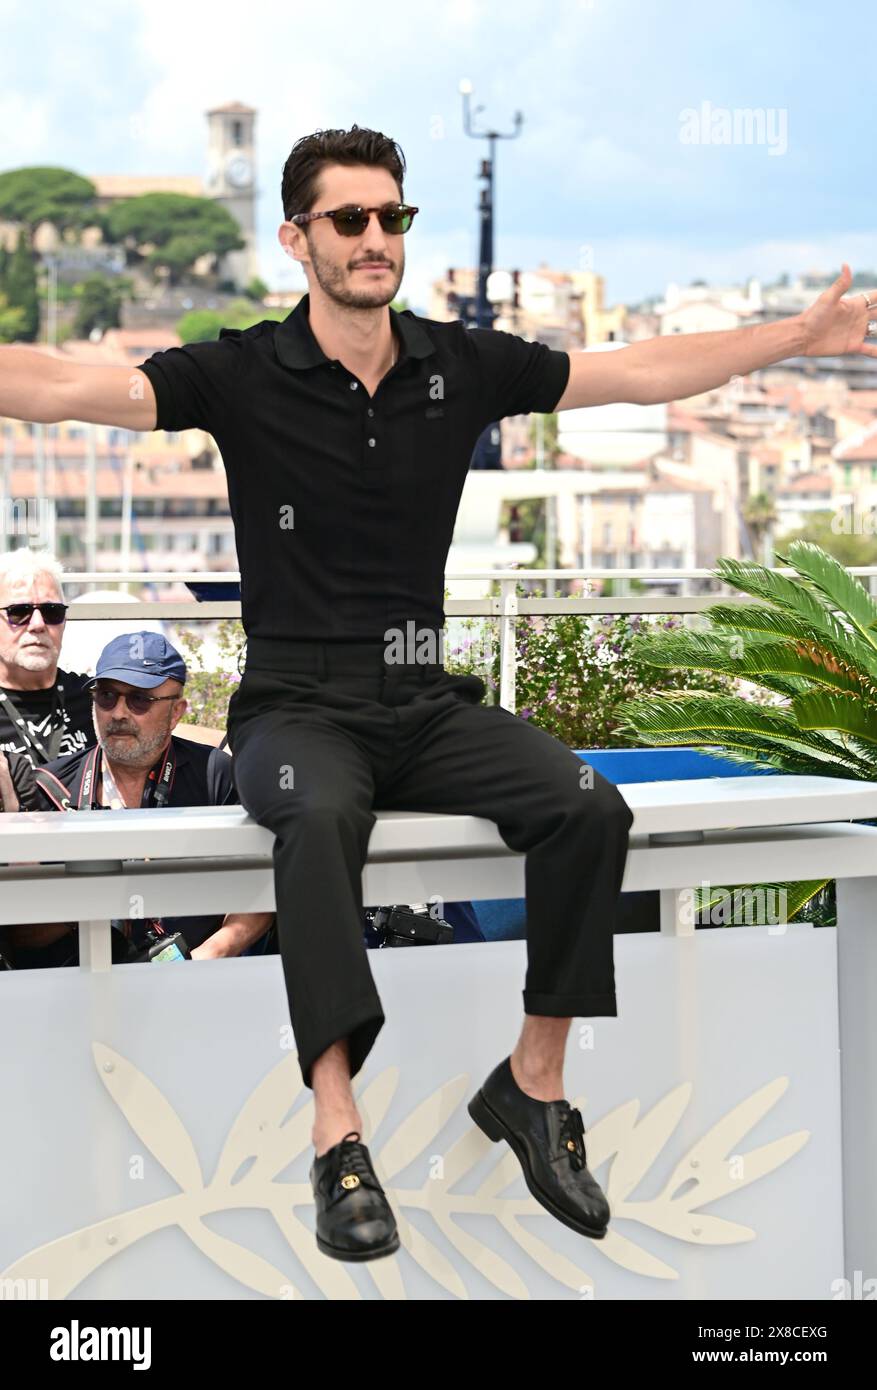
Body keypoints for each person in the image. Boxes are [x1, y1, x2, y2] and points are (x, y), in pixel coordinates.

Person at [0, 126, 874, 1262]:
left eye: (391, 217)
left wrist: (793, 339)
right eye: (349, 219)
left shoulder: (457, 364)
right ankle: (337, 1132)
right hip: (296, 707)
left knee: (583, 805)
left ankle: (533, 1086)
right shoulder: (241, 371)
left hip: (425, 699)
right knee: (315, 819)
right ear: (295, 237)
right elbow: (65, 384)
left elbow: (630, 370)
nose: (376, 238)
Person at [0, 631, 273, 970]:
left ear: (176, 712)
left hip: (199, 982)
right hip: (81, 987)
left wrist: (208, 956)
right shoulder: (52, 787)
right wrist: (97, 898)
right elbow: (23, 937)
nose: (118, 713)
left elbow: (264, 886)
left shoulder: (217, 776)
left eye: (139, 700)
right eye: (107, 697)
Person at [0, 548, 93, 768]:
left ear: (65, 622)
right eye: (19, 612)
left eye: (52, 611)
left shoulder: (96, 699)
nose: (38, 624)